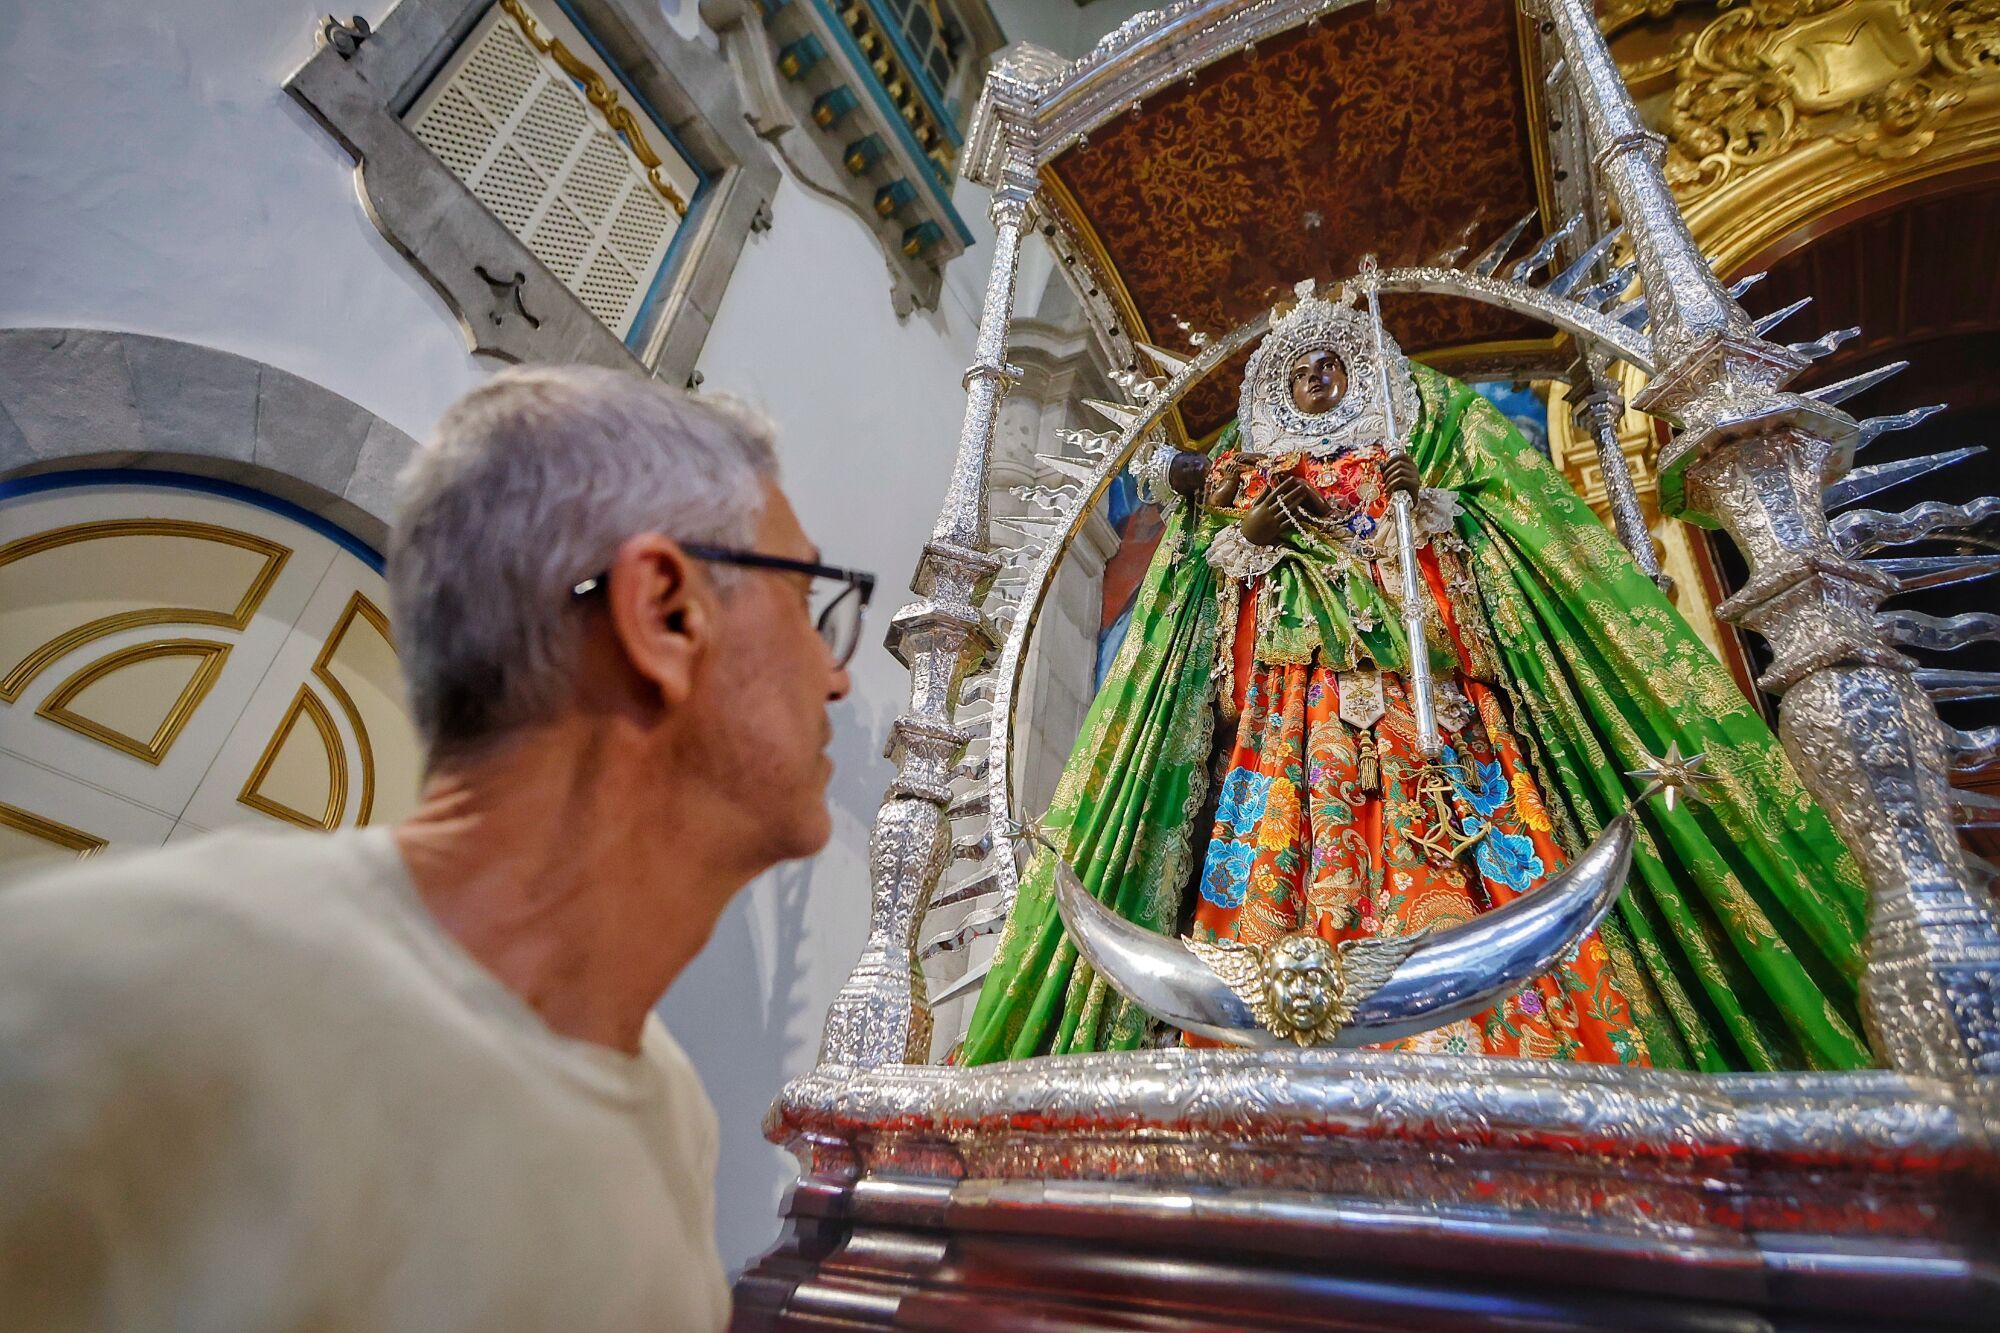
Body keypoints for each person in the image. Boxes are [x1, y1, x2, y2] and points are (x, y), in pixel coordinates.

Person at [0, 365, 873, 1331]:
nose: (836, 674)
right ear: (665, 614)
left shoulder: (672, 1113)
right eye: (809, 603)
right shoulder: (109, 997)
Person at [959, 285, 1875, 1074]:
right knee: (1284, 837)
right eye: (1302, 368)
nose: (1320, 379)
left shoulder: (1419, 469)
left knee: (1465, 839)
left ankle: (1493, 1018)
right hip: (1297, 706)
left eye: (1333, 364)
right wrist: (1262, 536)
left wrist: (1423, 514)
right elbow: (1209, 596)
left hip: (1422, 697)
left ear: (1364, 372)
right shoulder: (1256, 475)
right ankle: (1274, 1016)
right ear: (1278, 385)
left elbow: (1465, 593)